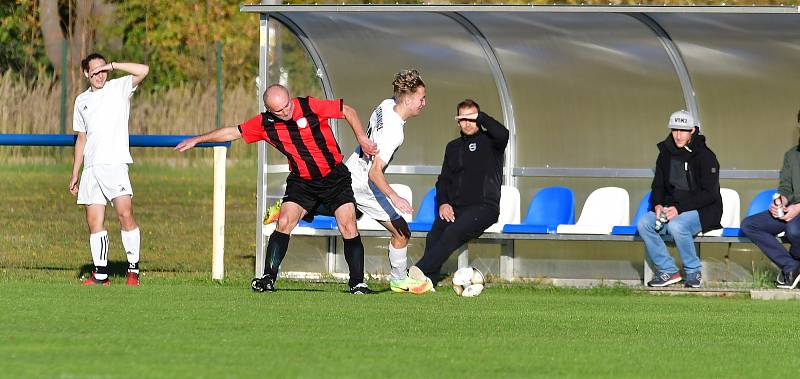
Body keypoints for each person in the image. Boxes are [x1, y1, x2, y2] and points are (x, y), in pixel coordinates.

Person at [175, 84, 378, 294]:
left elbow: (347, 111)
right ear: (269, 109)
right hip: (302, 182)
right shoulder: (265, 123)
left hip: (334, 177)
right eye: (279, 110)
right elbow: (231, 132)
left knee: (348, 226)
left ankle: (357, 283)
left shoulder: (309, 105)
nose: (287, 111)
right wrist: (198, 139)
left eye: (287, 105)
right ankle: (267, 278)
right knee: (283, 222)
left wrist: (362, 138)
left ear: (290, 98)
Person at [345, 70, 431, 294]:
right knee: (402, 232)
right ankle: (399, 280)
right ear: (408, 99)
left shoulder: (386, 104)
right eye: (421, 98)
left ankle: (305, 206)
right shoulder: (395, 133)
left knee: (346, 212)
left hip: (351, 170)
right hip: (363, 183)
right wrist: (395, 196)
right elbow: (375, 172)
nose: (424, 103)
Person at [408, 99, 509, 286]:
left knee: (453, 231)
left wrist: (481, 117)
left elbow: (504, 134)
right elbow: (443, 180)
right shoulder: (453, 147)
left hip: (484, 208)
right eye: (463, 118)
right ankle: (428, 283)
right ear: (457, 122)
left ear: (479, 118)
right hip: (456, 208)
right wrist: (444, 203)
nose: (467, 123)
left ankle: (418, 270)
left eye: (472, 118)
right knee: (434, 235)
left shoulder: (492, 142)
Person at [69, 53, 149, 286]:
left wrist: (113, 65)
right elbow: (81, 139)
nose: (99, 75)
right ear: (86, 74)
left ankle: (133, 269)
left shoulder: (119, 87)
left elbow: (143, 69)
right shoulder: (81, 101)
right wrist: (76, 172)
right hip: (91, 169)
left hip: (115, 164)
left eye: (102, 70)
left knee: (125, 214)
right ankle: (101, 274)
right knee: (94, 222)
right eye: (94, 71)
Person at [637, 110, 722, 288]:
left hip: (703, 210)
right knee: (644, 222)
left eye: (683, 130)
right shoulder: (664, 154)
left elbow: (709, 194)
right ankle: (668, 270)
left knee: (678, 225)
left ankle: (693, 272)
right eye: (675, 130)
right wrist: (658, 205)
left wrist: (679, 209)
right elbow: (658, 185)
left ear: (692, 130)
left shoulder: (706, 156)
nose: (678, 135)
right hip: (672, 208)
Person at [741, 108, 800, 289]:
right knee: (750, 225)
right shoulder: (791, 155)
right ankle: (791, 266)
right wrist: (780, 202)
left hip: (797, 213)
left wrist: (798, 208)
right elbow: (785, 187)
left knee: (794, 230)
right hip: (792, 211)